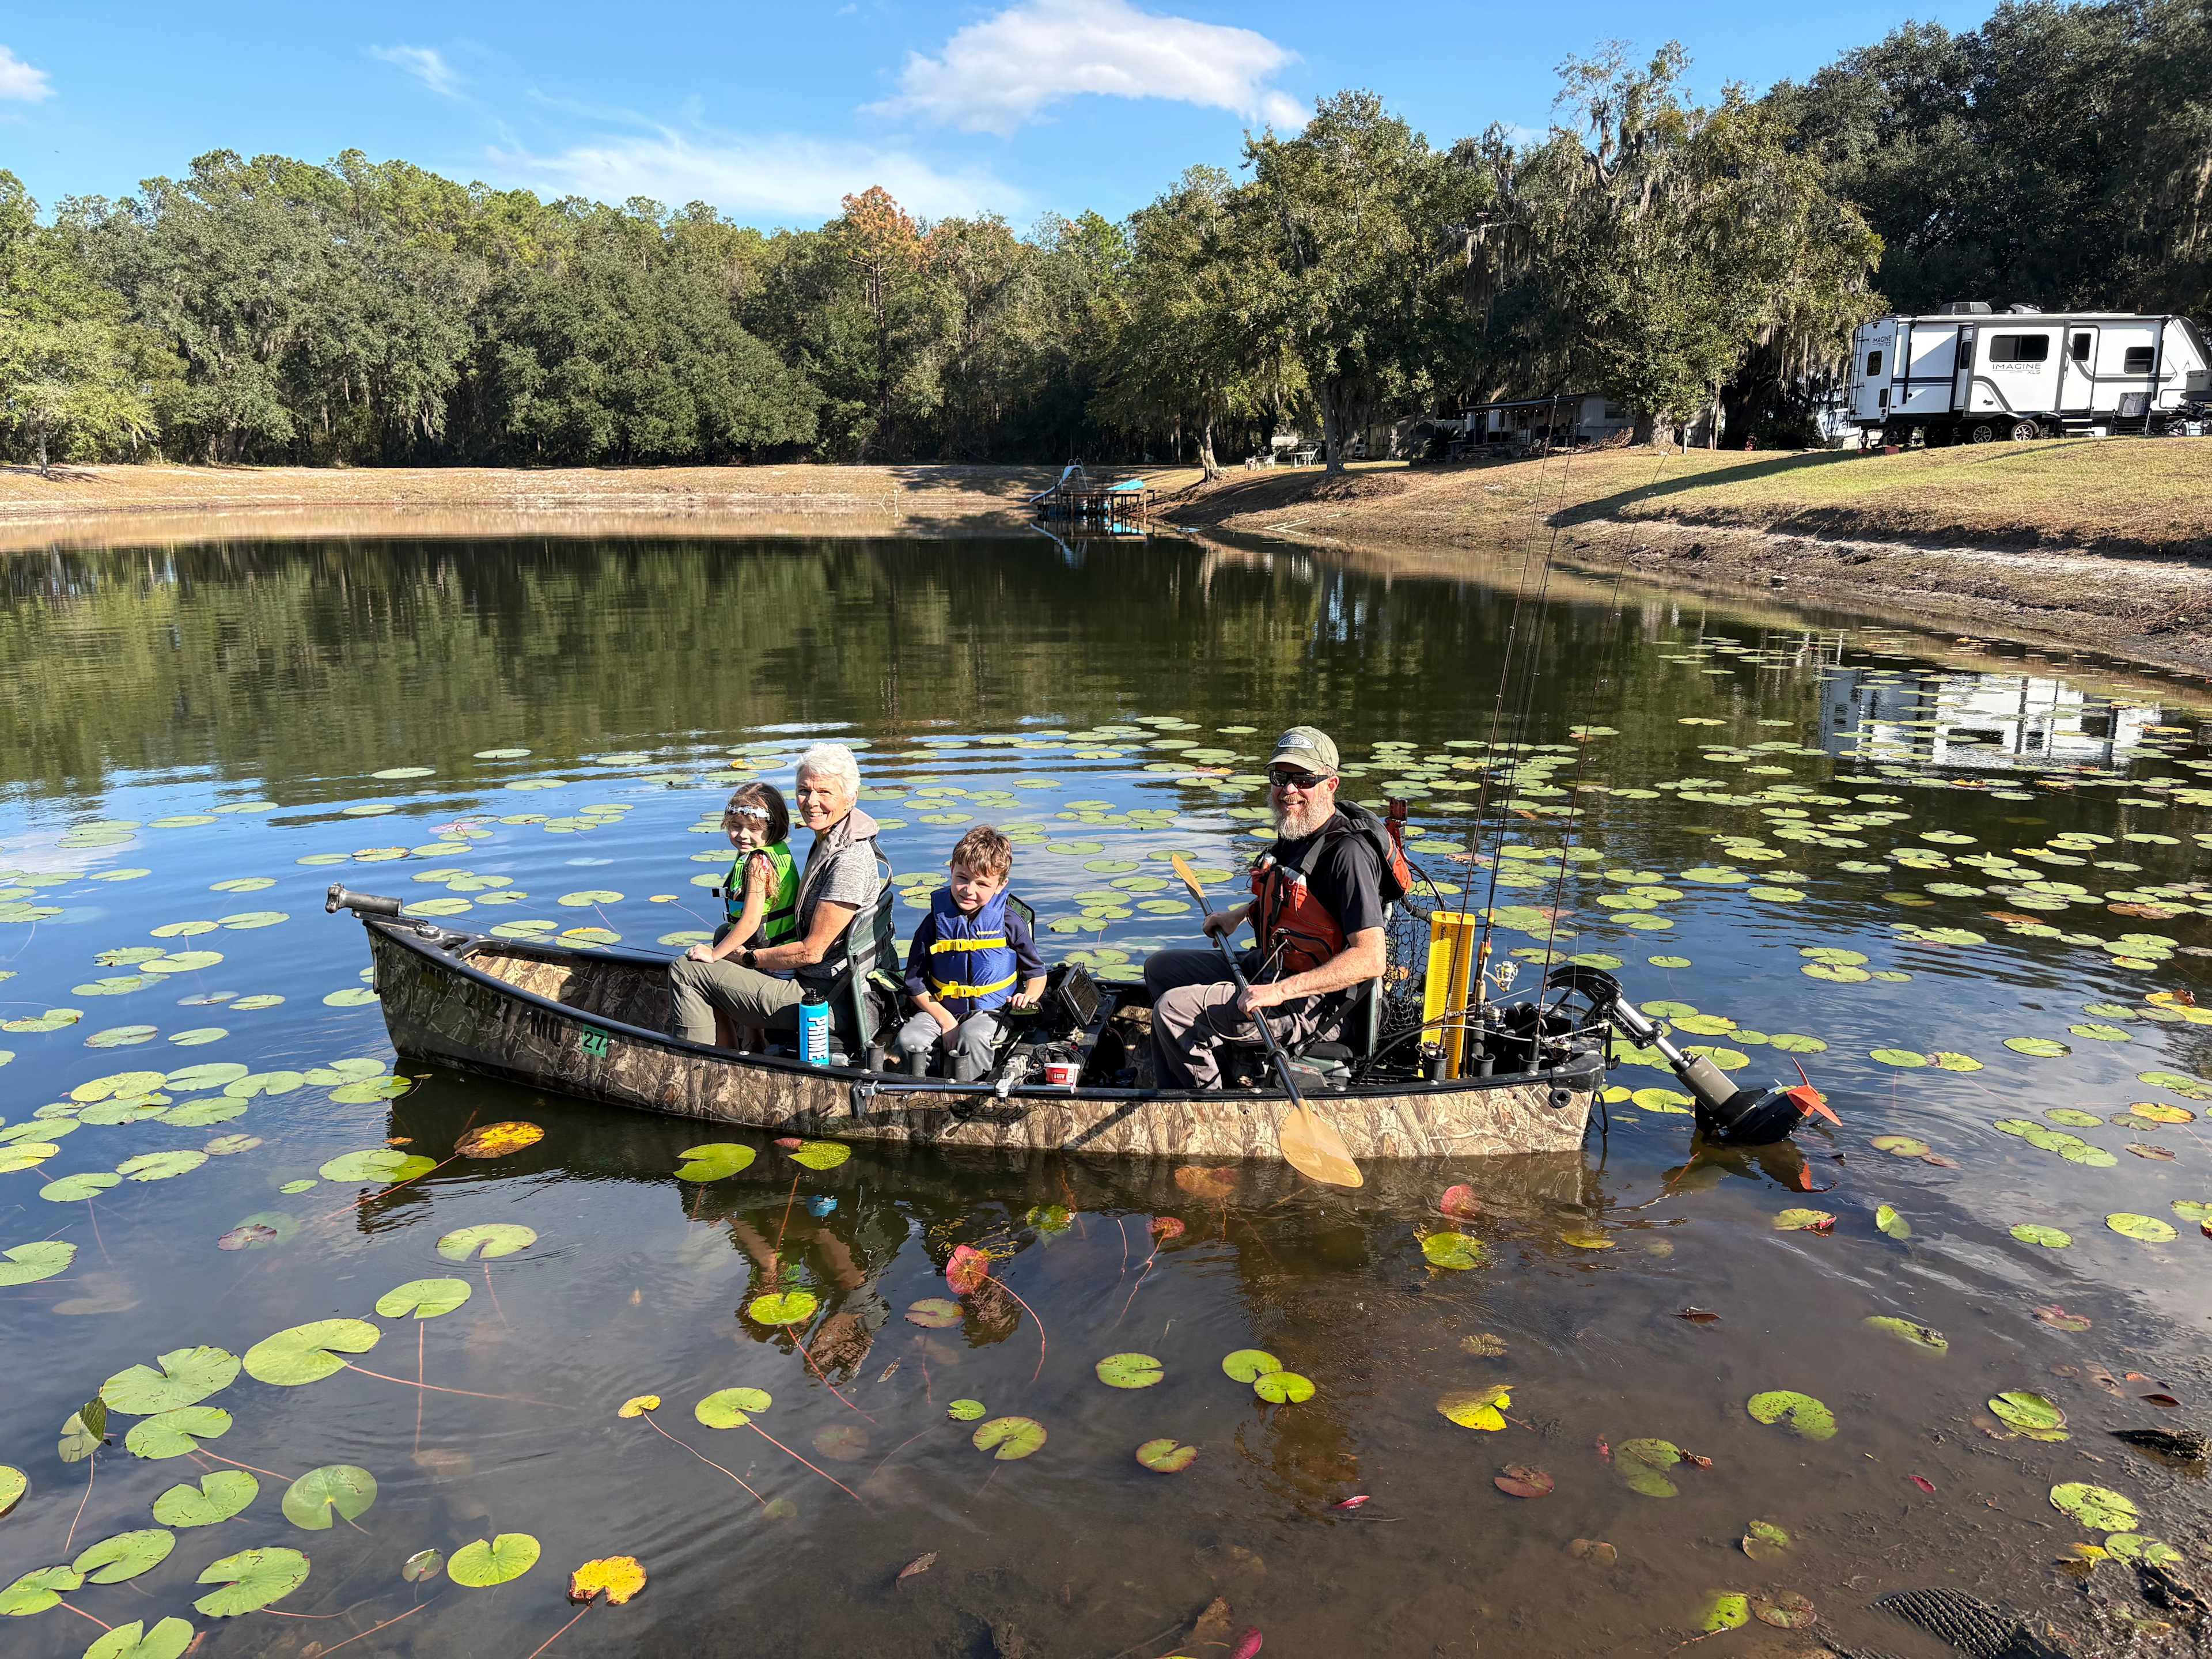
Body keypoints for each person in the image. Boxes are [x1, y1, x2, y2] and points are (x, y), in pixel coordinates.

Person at [1143, 726, 1404, 1090]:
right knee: (1161, 969)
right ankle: (1213, 1054)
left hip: (1314, 1005)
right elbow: (1294, 903)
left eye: (1303, 778)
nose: (1289, 789)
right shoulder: (1297, 831)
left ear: (1331, 784)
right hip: (1271, 968)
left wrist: (1279, 992)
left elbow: (1371, 959)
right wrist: (1237, 916)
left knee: (1174, 1011)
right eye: (1280, 777)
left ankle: (1207, 1107)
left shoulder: (1348, 854)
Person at [668, 743, 883, 1051]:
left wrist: (749, 958)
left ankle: (704, 1068)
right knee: (722, 935)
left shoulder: (847, 860)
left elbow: (812, 952)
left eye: (825, 792)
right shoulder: (832, 839)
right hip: (825, 985)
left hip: (826, 1001)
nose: (811, 802)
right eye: (804, 790)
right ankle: (748, 1041)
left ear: (851, 797)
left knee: (686, 971)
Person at [893, 825, 1047, 1081]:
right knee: (910, 1040)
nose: (969, 890)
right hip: (940, 1009)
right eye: (962, 878)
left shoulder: (1010, 922)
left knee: (972, 1037)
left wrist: (1028, 996)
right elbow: (914, 982)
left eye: (982, 884)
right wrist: (946, 1021)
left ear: (1000, 885)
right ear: (952, 870)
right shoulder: (934, 922)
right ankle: (923, 1090)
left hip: (993, 1012)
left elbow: (1037, 973)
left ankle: (969, 1093)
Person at [681, 782, 800, 1050]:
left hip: (772, 968)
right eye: (736, 826)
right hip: (772, 956)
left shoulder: (759, 863)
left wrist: (714, 955)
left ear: (772, 826)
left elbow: (750, 922)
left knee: (705, 975)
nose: (743, 835)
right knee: (724, 933)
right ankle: (755, 1040)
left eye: (753, 828)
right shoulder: (777, 851)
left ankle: (726, 1053)